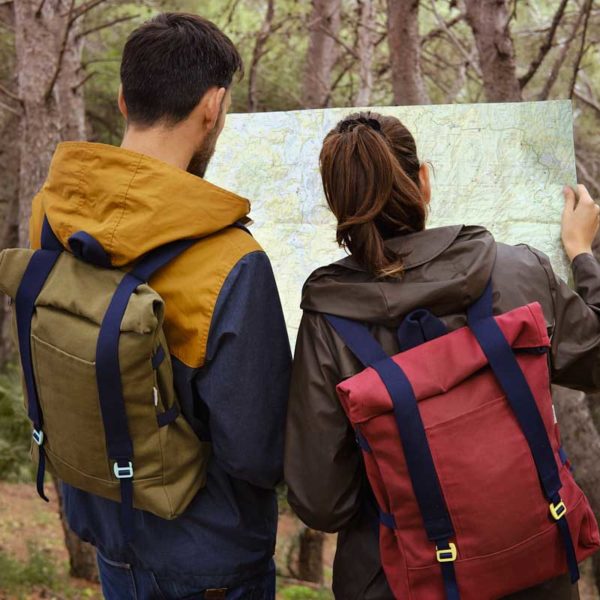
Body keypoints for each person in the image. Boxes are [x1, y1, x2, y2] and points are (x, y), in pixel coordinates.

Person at [284, 111, 600, 600]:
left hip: (397, 581)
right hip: (533, 566)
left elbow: (322, 502)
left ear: (338, 204)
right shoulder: (519, 271)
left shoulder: (328, 322)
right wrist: (581, 254)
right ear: (424, 181)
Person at [28, 13, 291, 600]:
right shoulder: (232, 261)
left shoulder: (52, 215)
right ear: (213, 105)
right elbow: (255, 454)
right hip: (211, 559)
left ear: (123, 99)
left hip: (109, 537)